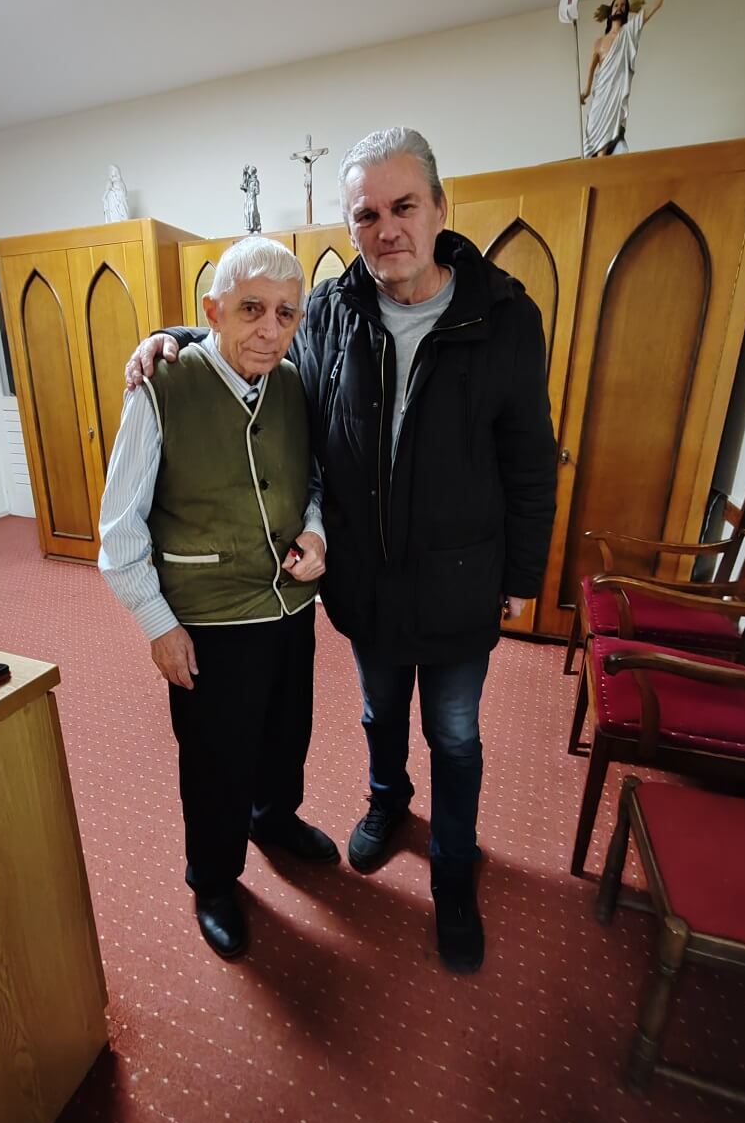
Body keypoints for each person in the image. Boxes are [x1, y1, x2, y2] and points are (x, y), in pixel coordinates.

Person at [125, 128, 557, 973]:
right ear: (351, 225)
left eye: (404, 206)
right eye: (366, 214)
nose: (386, 228)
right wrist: (167, 338)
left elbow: (531, 461)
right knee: (377, 714)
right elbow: (254, 336)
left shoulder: (505, 315)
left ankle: (452, 873)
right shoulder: (331, 308)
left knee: (455, 733)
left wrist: (522, 573)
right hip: (366, 578)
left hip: (461, 578)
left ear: (440, 208)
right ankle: (387, 804)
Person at [100, 236, 338, 961]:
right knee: (214, 759)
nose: (270, 328)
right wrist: (158, 624)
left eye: (286, 314)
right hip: (207, 620)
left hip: (290, 608)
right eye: (251, 309)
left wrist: (316, 532)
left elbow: (312, 481)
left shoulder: (294, 383)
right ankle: (212, 878)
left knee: (286, 733)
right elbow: (118, 529)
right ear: (213, 311)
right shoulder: (161, 387)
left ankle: (274, 818)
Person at [581, 0, 690, 158]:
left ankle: (603, 158)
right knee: (594, 128)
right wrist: (585, 92)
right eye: (616, 5)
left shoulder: (629, 31)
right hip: (601, 92)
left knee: (609, 134)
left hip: (616, 90)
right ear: (610, 11)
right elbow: (591, 70)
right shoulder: (598, 42)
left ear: (626, 11)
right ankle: (596, 159)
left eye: (623, 5)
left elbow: (656, 4)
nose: (620, 7)